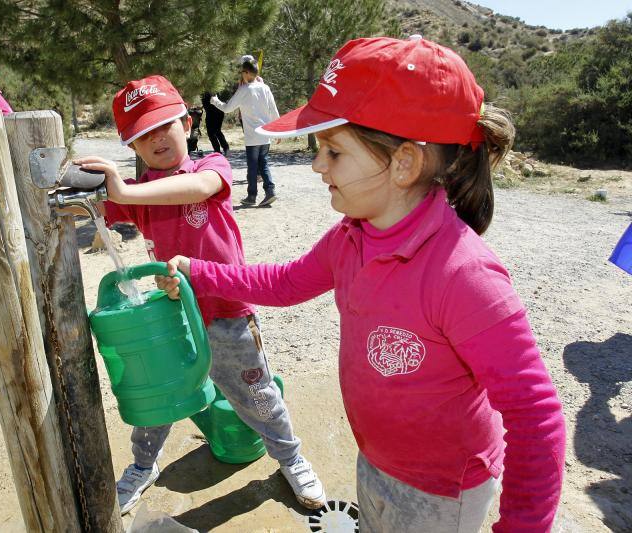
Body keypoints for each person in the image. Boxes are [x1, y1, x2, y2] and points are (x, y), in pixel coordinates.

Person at [159, 36, 566, 532]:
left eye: (332, 150)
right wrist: (198, 271)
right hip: (376, 462)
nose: (316, 165)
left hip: (442, 492)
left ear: (404, 164)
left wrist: (522, 526)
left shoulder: (464, 276)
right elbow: (285, 282)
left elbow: (535, 416)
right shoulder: (350, 237)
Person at [72, 75, 325, 515]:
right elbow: (91, 208)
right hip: (174, 319)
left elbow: (199, 191)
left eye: (163, 125)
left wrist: (125, 188)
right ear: (132, 148)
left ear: (187, 123)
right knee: (159, 400)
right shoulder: (137, 194)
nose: (156, 140)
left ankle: (290, 458)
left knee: (258, 396)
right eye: (141, 135)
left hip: (229, 312)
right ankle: (143, 466)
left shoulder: (211, 168)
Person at [211, 58, 279, 207]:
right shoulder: (265, 88)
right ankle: (270, 191)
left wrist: (215, 101)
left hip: (252, 137)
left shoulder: (243, 90)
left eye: (242, 72)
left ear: (247, 73)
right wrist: (277, 130)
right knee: (264, 164)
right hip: (266, 134)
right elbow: (273, 110)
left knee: (253, 167)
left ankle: (252, 196)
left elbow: (228, 108)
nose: (241, 75)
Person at [201, 91, 229, 156]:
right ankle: (222, 149)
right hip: (213, 111)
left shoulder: (211, 88)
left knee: (214, 132)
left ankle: (221, 150)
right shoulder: (206, 89)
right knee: (215, 132)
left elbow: (213, 100)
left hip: (215, 111)